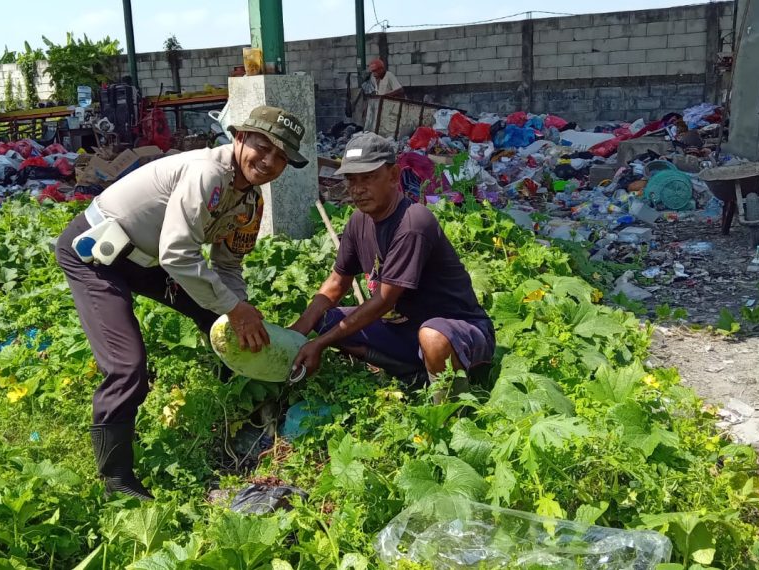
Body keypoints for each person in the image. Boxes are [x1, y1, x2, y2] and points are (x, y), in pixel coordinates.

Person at [54, 105, 308, 501]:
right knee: (127, 365)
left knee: (217, 314)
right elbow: (178, 256)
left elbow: (228, 265)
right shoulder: (207, 174)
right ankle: (116, 479)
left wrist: (238, 314)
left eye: (282, 157)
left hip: (148, 257)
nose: (270, 161)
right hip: (95, 253)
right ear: (239, 138)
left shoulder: (250, 203)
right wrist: (236, 311)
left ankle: (242, 407)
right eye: (263, 146)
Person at [289, 132, 494, 400]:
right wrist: (296, 333)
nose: (358, 189)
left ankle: (450, 410)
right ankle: (414, 373)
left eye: (368, 178)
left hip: (457, 334)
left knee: (432, 336)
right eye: (351, 180)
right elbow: (337, 284)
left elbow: (384, 301)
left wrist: (319, 344)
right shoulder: (358, 222)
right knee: (325, 320)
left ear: (393, 176)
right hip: (403, 330)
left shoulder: (412, 224)